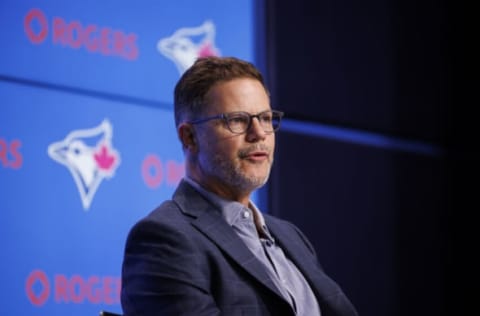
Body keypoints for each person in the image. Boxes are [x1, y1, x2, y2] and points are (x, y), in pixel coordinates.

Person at [121, 56, 358, 316]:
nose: (259, 133)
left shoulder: (291, 236)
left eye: (266, 118)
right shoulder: (164, 239)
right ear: (189, 136)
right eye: (237, 120)